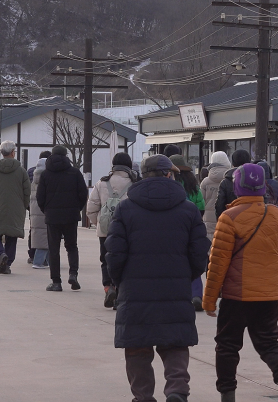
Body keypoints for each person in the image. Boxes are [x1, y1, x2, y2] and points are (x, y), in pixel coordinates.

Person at [105, 155, 210, 402]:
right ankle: (176, 391)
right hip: (175, 288)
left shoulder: (126, 208)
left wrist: (121, 281)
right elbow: (199, 254)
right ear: (168, 175)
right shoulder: (188, 209)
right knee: (174, 343)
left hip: (135, 289)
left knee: (137, 347)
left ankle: (143, 397)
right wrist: (187, 277)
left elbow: (114, 253)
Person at [203, 164, 278, 402]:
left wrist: (209, 300)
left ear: (237, 187)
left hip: (236, 297)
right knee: (269, 343)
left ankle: (228, 395)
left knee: (227, 347)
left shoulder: (229, 217)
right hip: (268, 296)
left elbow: (217, 264)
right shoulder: (277, 215)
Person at [86, 152, 137, 308]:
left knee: (106, 259)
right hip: (128, 230)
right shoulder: (135, 184)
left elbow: (91, 208)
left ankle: (109, 287)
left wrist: (99, 224)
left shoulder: (102, 183)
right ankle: (121, 292)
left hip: (106, 229)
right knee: (126, 260)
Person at [37, 145, 87, 291]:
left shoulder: (46, 174)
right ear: (66, 156)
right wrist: (77, 208)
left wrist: (46, 210)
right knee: (71, 246)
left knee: (54, 249)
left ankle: (56, 282)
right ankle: (73, 274)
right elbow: (83, 194)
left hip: (52, 217)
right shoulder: (75, 173)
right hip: (71, 216)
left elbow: (40, 197)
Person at [0, 141, 31, 275]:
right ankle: (8, 263)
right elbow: (27, 191)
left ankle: (0, 254)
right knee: (12, 235)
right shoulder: (21, 171)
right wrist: (24, 205)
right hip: (15, 208)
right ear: (12, 152)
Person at [170, 154, 207, 312]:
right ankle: (197, 294)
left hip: (175, 224)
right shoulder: (193, 183)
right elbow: (201, 204)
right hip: (193, 223)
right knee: (194, 259)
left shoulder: (172, 182)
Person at [27, 150, 51, 263]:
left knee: (34, 231)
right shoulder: (49, 176)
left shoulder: (31, 173)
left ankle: (32, 255)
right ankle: (42, 260)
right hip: (46, 209)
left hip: (33, 208)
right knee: (48, 234)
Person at [214, 149, 251, 220]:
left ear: (233, 163)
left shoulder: (226, 182)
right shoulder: (254, 179)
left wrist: (221, 220)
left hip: (231, 219)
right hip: (252, 220)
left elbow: (220, 205)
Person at [201, 151, 231, 238]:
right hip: (227, 216)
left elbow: (202, 202)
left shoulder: (205, 181)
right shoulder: (230, 179)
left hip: (208, 219)